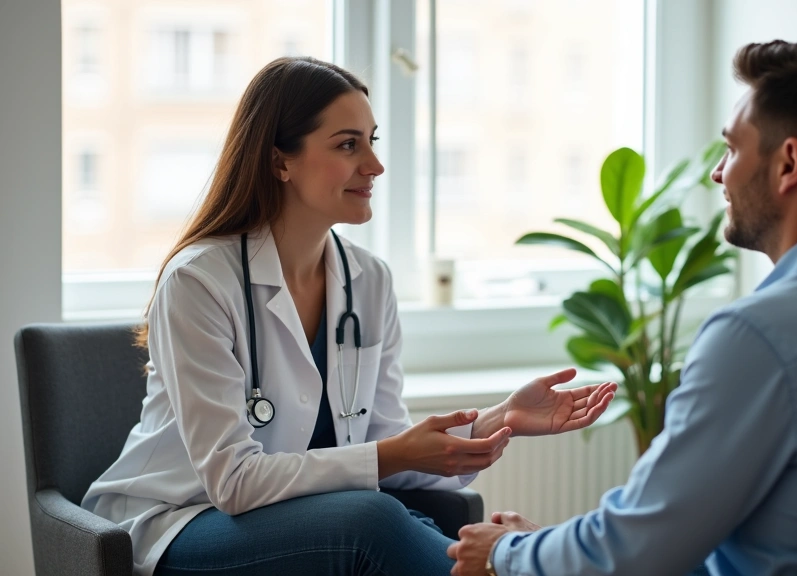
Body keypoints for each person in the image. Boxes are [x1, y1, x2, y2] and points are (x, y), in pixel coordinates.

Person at [448, 39, 797, 576]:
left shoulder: (759, 337)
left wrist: (504, 553)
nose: (717, 173)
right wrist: (553, 545)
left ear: (788, 163)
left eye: (732, 149)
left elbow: (634, 554)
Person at [81, 56, 617, 576]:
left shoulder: (368, 279)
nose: (375, 165)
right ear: (279, 162)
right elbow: (234, 481)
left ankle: (510, 564)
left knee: (393, 516)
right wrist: (387, 456)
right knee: (371, 519)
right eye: (347, 145)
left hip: (300, 519)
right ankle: (522, 564)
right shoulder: (200, 281)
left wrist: (500, 419)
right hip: (184, 522)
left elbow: (385, 436)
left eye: (372, 140)